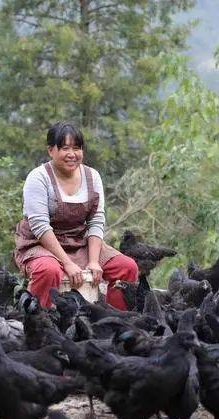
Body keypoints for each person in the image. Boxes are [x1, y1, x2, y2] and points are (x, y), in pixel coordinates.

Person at [13, 122, 138, 309]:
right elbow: (40, 227)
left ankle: (114, 323)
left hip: (80, 242)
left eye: (77, 148)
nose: (72, 154)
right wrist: (67, 263)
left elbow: (96, 220)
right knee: (49, 271)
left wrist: (94, 261)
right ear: (51, 150)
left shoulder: (92, 176)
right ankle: (40, 323)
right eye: (65, 148)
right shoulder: (38, 178)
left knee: (127, 267)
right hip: (40, 243)